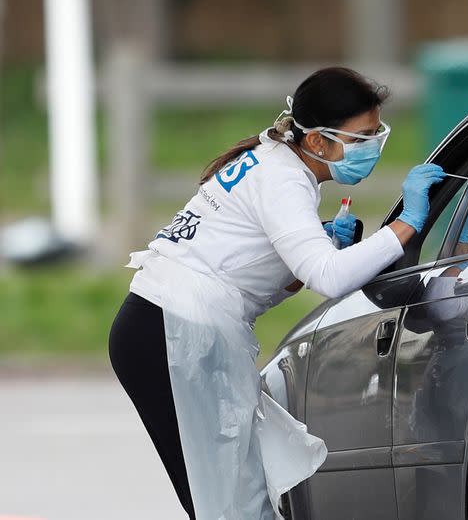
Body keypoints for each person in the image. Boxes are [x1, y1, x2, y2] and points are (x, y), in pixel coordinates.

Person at [107, 67, 446, 520]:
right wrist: (407, 226)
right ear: (318, 142)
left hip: (161, 326)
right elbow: (328, 277)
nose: (373, 150)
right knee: (232, 503)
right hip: (171, 335)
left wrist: (313, 253)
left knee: (229, 498)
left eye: (376, 135)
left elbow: (248, 272)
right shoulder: (283, 179)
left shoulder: (275, 163)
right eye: (361, 138)